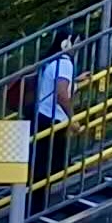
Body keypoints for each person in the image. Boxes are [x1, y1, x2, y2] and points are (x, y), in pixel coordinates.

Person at [28, 31, 81, 184]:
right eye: (76, 43)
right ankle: (47, 201)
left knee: (43, 164)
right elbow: (62, 95)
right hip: (55, 120)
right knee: (52, 166)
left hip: (42, 115)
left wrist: (76, 80)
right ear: (66, 43)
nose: (78, 47)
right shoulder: (65, 63)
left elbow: (53, 85)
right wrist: (72, 119)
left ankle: (38, 201)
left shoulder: (53, 61)